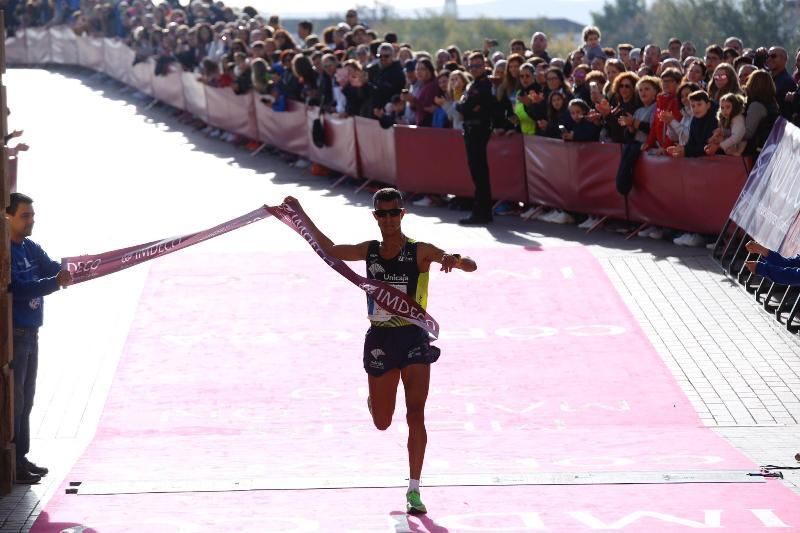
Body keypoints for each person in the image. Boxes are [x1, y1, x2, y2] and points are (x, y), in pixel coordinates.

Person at [285, 189, 477, 514]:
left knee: (416, 414)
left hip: (414, 340)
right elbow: (330, 249)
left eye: (393, 213)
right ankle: (376, 401)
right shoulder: (369, 251)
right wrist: (300, 214)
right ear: (375, 217)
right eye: (382, 214)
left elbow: (470, 265)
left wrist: (453, 259)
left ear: (402, 214)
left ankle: (414, 489)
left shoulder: (420, 251)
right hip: (380, 341)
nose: (388, 219)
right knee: (383, 422)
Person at [6, 193, 73, 484]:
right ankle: (14, 461)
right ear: (7, 217)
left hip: (32, 334)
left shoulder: (30, 247)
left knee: (28, 398)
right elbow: (18, 289)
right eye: (25, 215)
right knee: (16, 400)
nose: (31, 220)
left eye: (32, 215)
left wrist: (73, 269)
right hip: (16, 334)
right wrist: (53, 283)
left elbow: (51, 268)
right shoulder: (5, 251)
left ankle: (22, 456)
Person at [456, 52, 497, 225]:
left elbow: (466, 106)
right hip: (471, 128)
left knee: (479, 172)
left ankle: (481, 211)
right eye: (472, 66)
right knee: (476, 171)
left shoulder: (484, 85)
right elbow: (464, 106)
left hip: (479, 130)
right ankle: (483, 210)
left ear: (485, 65)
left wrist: (465, 105)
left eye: (478, 66)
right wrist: (465, 105)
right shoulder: (473, 84)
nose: (474, 69)